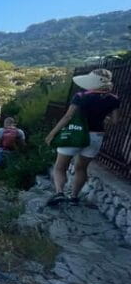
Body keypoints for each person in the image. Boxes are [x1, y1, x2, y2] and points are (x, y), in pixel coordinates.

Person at [45, 68, 121, 206]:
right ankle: (74, 197)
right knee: (81, 168)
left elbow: (68, 117)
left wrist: (52, 133)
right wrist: (103, 118)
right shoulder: (113, 99)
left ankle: (59, 193)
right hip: (96, 136)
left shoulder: (81, 96)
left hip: (75, 134)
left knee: (60, 167)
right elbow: (115, 121)